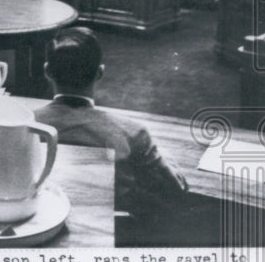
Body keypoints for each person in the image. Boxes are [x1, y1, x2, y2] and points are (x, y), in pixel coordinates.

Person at [34, 27, 189, 217]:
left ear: (47, 71)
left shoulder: (26, 126)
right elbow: (176, 189)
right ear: (100, 73)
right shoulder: (134, 133)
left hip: (45, 222)